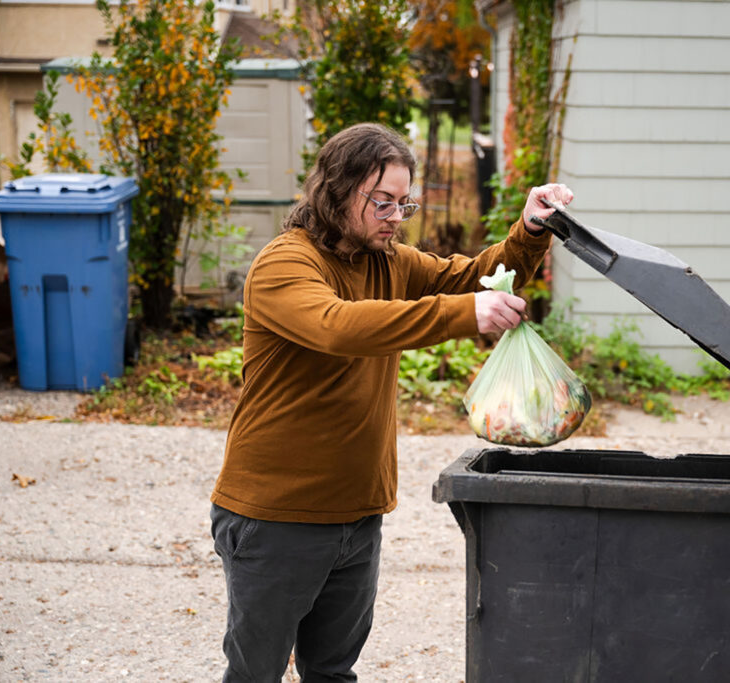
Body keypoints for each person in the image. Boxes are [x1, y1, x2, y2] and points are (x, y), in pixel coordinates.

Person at [209, 122, 573, 682]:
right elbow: (336, 325)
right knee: (255, 674)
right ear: (335, 190)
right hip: (276, 515)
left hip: (358, 514)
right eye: (383, 202)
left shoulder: (391, 261)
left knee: (332, 672)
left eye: (406, 203)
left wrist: (529, 230)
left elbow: (479, 279)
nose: (396, 217)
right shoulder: (284, 264)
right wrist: (463, 315)